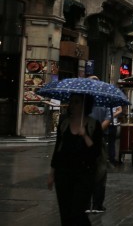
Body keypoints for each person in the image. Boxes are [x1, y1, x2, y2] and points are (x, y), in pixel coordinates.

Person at [48, 94, 103, 226]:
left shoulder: (93, 125)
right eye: (71, 101)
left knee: (77, 212)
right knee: (65, 213)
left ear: (85, 105)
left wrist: (85, 136)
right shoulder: (64, 123)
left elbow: (96, 152)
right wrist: (52, 173)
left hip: (84, 175)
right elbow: (58, 149)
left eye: (77, 102)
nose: (72, 105)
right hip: (63, 174)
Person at [87, 104, 111, 213]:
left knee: (86, 171)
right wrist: (97, 132)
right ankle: (97, 204)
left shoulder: (83, 103)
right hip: (99, 140)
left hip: (85, 139)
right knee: (100, 172)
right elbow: (108, 119)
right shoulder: (104, 103)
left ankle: (86, 204)